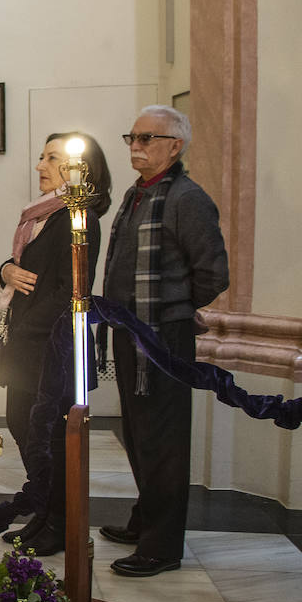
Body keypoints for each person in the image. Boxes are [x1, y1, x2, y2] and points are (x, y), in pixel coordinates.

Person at [101, 106, 229, 577]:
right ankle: (144, 519)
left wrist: (173, 309)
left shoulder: (187, 199)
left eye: (146, 138)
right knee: (138, 434)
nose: (135, 146)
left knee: (164, 440)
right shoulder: (139, 194)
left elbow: (213, 273)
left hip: (164, 337)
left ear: (174, 146)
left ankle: (162, 546)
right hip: (130, 331)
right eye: (131, 137)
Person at [0, 133, 111, 555]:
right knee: (26, 433)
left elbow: (69, 293)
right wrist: (5, 269)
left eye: (52, 158)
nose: (40, 165)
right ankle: (43, 513)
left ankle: (59, 524)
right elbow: (23, 272)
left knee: (52, 441)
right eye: (42, 156)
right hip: (26, 353)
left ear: (81, 169)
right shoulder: (41, 216)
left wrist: (22, 331)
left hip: (51, 353)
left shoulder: (79, 219)